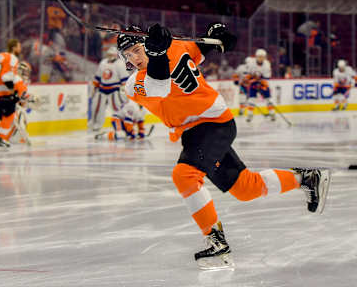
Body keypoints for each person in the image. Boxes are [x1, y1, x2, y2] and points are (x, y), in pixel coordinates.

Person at [118, 23, 331, 269]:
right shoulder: (133, 83)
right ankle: (306, 179)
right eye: (128, 55)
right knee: (245, 188)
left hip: (214, 123)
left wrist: (217, 38)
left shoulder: (174, 47)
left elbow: (202, 47)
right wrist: (159, 53)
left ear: (146, 43)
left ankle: (218, 245)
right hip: (196, 133)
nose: (134, 58)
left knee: (185, 175)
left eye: (136, 49)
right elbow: (160, 85)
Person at [89, 46, 129, 132]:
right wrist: (94, 88)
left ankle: (124, 125)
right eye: (109, 54)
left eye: (112, 54)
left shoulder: (120, 64)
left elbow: (124, 80)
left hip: (114, 91)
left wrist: (123, 93)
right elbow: (98, 77)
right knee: (97, 108)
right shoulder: (103, 63)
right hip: (102, 90)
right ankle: (96, 125)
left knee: (118, 110)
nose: (110, 56)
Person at [244, 49, 275, 122]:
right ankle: (250, 115)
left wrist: (261, 83)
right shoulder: (251, 63)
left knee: (268, 99)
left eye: (262, 57)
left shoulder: (267, 64)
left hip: (263, 83)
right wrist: (249, 79)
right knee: (251, 100)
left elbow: (266, 77)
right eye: (259, 57)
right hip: (253, 83)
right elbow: (247, 75)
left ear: (265, 57)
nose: (261, 58)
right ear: (256, 57)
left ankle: (272, 114)